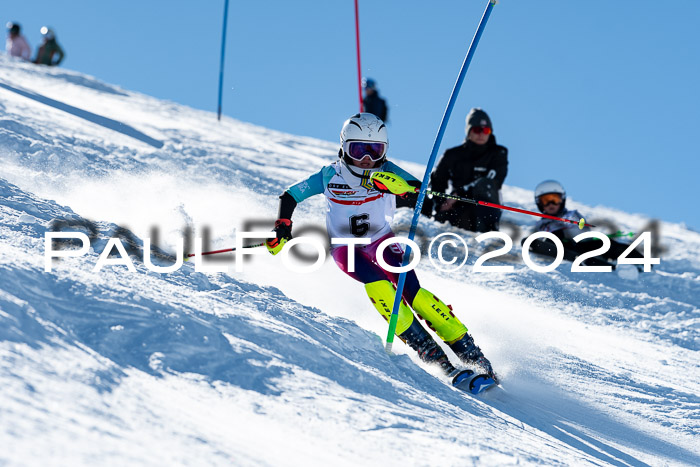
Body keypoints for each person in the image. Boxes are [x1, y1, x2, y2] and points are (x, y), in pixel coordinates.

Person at [266, 113, 497, 388]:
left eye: (375, 150)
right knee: (381, 290)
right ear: (344, 147)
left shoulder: (387, 169)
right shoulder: (330, 175)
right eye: (358, 149)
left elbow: (421, 194)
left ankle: (472, 354)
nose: (367, 158)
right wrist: (282, 227)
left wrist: (403, 188)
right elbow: (291, 195)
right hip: (347, 249)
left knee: (417, 296)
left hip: (382, 241)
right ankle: (434, 356)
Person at [524, 180, 644, 269]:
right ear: (539, 203)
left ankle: (638, 260)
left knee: (605, 243)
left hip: (582, 245)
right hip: (563, 246)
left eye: (555, 199)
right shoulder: (541, 224)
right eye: (546, 201)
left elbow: (584, 232)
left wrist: (568, 224)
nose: (551, 204)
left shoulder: (571, 214)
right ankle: (566, 252)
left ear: (562, 200)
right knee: (554, 235)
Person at [424, 108, 508, 232]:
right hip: (458, 209)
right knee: (422, 192)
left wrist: (458, 194)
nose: (481, 134)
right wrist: (441, 203)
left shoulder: (498, 153)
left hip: (484, 209)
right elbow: (437, 180)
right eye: (477, 130)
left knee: (486, 185)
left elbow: (493, 181)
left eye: (486, 130)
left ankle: (487, 232)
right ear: (469, 131)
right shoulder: (453, 154)